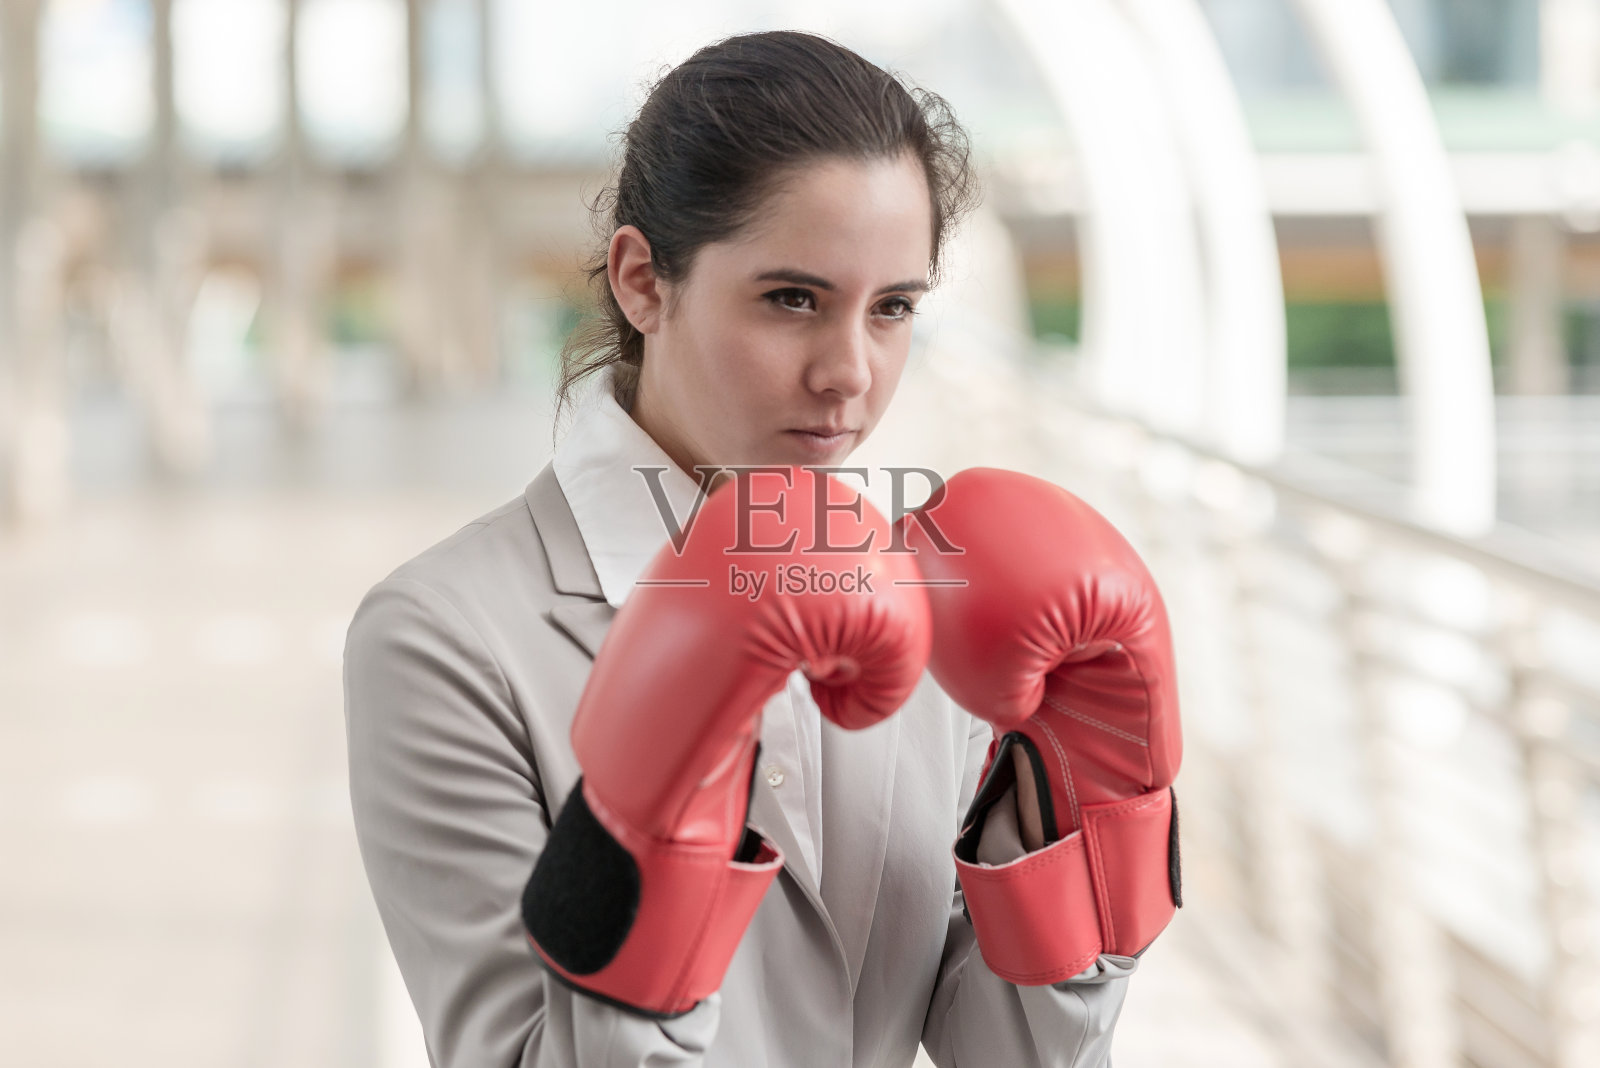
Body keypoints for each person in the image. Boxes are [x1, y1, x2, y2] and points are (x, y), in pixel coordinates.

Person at [343, 29, 1179, 1068]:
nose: (850, 373)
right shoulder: (444, 637)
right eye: (793, 299)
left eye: (893, 309)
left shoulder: (924, 603)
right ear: (642, 282)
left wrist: (1084, 816)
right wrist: (653, 829)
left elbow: (1008, 1053)